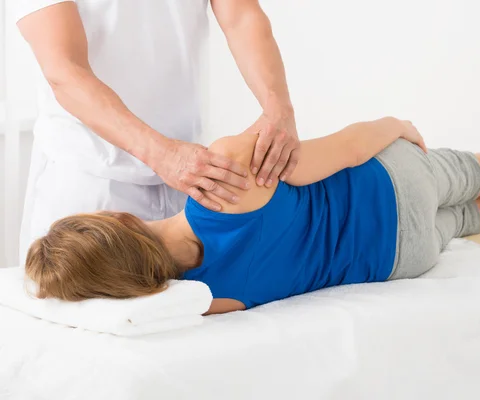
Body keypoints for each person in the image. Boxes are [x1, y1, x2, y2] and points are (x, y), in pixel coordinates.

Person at [24, 117, 480, 314]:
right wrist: (392, 123)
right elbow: (346, 147)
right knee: (466, 173)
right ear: (120, 219)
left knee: (464, 220)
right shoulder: (223, 180)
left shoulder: (208, 303)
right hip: (388, 185)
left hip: (403, 257)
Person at [16, 0, 299, 264]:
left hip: (187, 181)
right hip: (94, 185)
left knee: (192, 310)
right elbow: (65, 70)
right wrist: (163, 155)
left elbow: (241, 16)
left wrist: (278, 107)